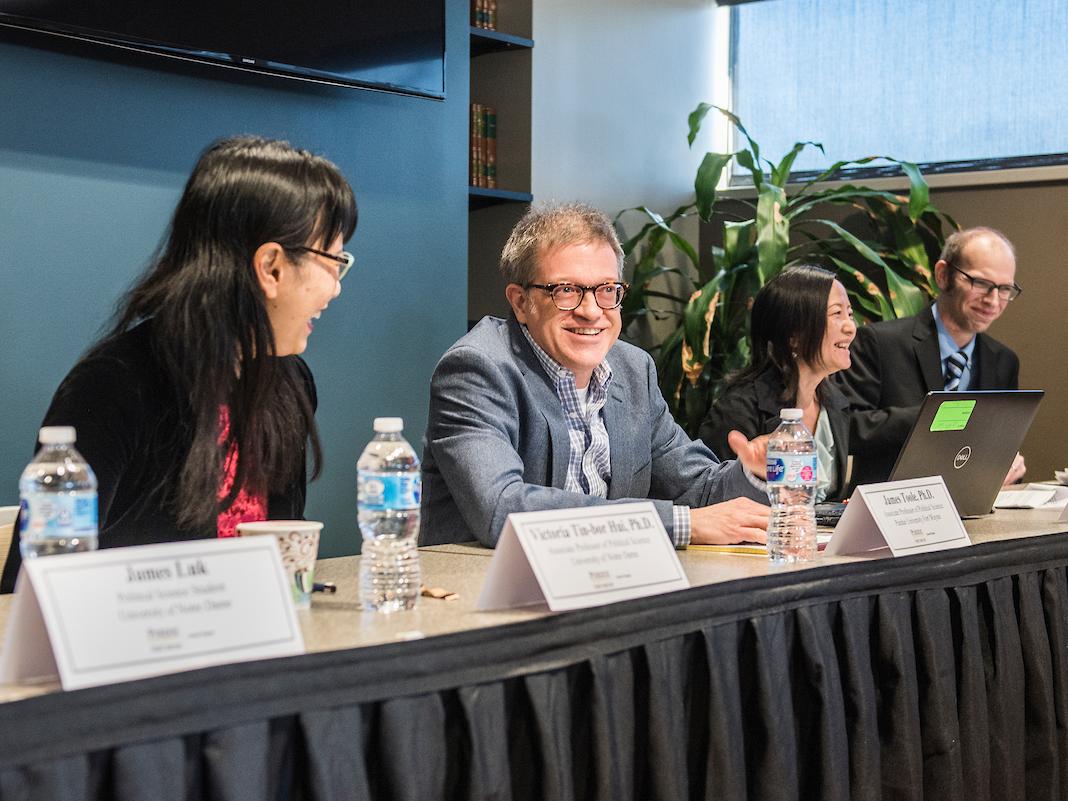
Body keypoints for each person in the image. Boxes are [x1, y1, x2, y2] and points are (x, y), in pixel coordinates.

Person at [1, 136, 357, 593]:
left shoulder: (288, 383)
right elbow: (28, 594)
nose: (336, 289)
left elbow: (285, 561)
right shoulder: (117, 385)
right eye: (334, 262)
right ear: (270, 267)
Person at [420, 203, 771, 549]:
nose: (591, 312)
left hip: (606, 584)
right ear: (520, 302)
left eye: (606, 290)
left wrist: (756, 471)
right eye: (567, 291)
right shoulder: (477, 369)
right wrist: (681, 524)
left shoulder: (634, 370)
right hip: (486, 593)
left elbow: (697, 489)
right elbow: (502, 509)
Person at [837, 226, 1024, 488]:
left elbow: (999, 441)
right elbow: (845, 429)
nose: (993, 300)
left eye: (1004, 289)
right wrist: (934, 416)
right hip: (890, 508)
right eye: (980, 283)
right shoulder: (879, 343)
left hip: (971, 509)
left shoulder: (1003, 361)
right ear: (943, 275)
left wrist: (1007, 464)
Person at [698, 265, 856, 502]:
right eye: (836, 314)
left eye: (850, 314)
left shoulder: (834, 403)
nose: (851, 328)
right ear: (794, 336)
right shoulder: (738, 410)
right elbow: (710, 498)